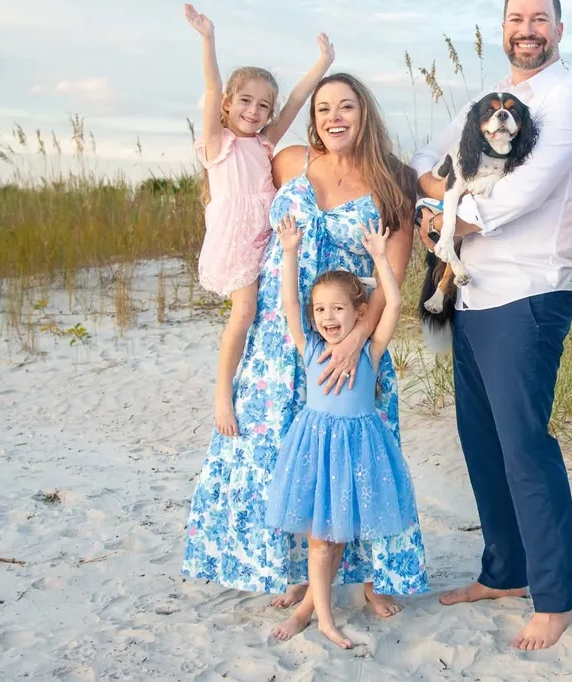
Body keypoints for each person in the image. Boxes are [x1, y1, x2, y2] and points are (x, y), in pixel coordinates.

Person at [181, 72, 428, 617]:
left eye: (345, 107)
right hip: (280, 332)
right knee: (279, 455)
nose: (334, 118)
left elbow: (395, 275)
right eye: (323, 110)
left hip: (348, 338)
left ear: (364, 114)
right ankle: (296, 571)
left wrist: (356, 342)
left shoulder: (392, 182)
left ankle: (370, 575)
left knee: (359, 457)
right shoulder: (289, 161)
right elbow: (235, 174)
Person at [409, 0, 572, 650]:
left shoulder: (568, 101)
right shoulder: (484, 100)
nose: (528, 28)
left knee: (524, 445)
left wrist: (447, 208)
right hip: (472, 290)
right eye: (516, 18)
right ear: (502, 27)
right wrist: (437, 203)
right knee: (482, 441)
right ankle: (505, 570)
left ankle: (554, 596)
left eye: (540, 18)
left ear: (558, 26)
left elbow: (518, 196)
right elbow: (423, 167)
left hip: (529, 294)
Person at [264, 216, 422, 647]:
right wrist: (291, 251)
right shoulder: (311, 347)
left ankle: (310, 608)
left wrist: (379, 258)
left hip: (358, 450)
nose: (328, 317)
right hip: (315, 450)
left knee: (334, 542)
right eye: (321, 309)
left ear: (357, 312)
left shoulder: (370, 350)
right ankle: (321, 618)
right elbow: (289, 306)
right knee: (320, 543)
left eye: (338, 308)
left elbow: (392, 304)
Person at [183, 3, 334, 438]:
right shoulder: (219, 143)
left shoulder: (265, 144)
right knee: (244, 311)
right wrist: (208, 38)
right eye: (245, 101)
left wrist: (323, 63)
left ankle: (268, 382)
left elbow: (296, 102)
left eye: (262, 106)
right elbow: (212, 87)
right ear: (229, 105)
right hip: (236, 242)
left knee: (270, 314)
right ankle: (221, 394)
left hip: (267, 241)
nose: (254, 110)